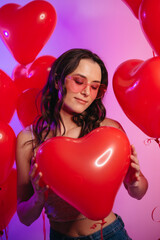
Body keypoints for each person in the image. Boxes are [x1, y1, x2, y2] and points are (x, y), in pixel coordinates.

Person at [16, 48, 148, 240]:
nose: (87, 92)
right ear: (57, 80)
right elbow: (24, 217)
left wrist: (134, 181)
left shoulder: (109, 131)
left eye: (95, 87)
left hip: (110, 234)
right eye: (79, 81)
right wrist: (37, 198)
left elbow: (139, 193)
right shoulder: (29, 140)